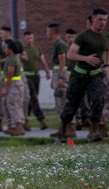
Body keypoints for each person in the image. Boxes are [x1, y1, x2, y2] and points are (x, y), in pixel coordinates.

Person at [55, 8, 108, 141]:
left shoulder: (105, 36)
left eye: (105, 20)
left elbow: (107, 50)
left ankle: (93, 132)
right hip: (79, 75)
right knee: (72, 104)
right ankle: (62, 130)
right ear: (92, 20)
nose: (103, 23)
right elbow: (70, 54)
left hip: (95, 75)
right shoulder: (83, 36)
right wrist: (86, 58)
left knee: (98, 99)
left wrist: (107, 66)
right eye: (100, 20)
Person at [20, 30, 51, 130]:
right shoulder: (22, 50)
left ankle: (25, 120)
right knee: (33, 97)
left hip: (36, 76)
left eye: (31, 38)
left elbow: (42, 60)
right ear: (24, 39)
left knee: (31, 98)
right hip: (26, 76)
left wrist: (47, 71)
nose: (29, 40)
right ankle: (41, 120)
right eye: (27, 38)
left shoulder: (37, 49)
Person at [1, 40, 27, 136]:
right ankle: (13, 126)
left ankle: (19, 126)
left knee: (13, 104)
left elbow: (10, 73)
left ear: (10, 49)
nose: (4, 50)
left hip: (14, 84)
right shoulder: (11, 58)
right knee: (11, 104)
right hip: (13, 83)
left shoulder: (12, 59)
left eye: (6, 48)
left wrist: (5, 88)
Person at [47, 23, 68, 116]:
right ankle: (63, 125)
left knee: (62, 99)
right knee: (58, 99)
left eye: (47, 32)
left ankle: (67, 125)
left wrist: (60, 77)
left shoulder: (60, 44)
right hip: (57, 74)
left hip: (61, 74)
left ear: (53, 32)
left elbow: (62, 60)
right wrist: (53, 79)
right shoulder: (57, 44)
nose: (46, 34)